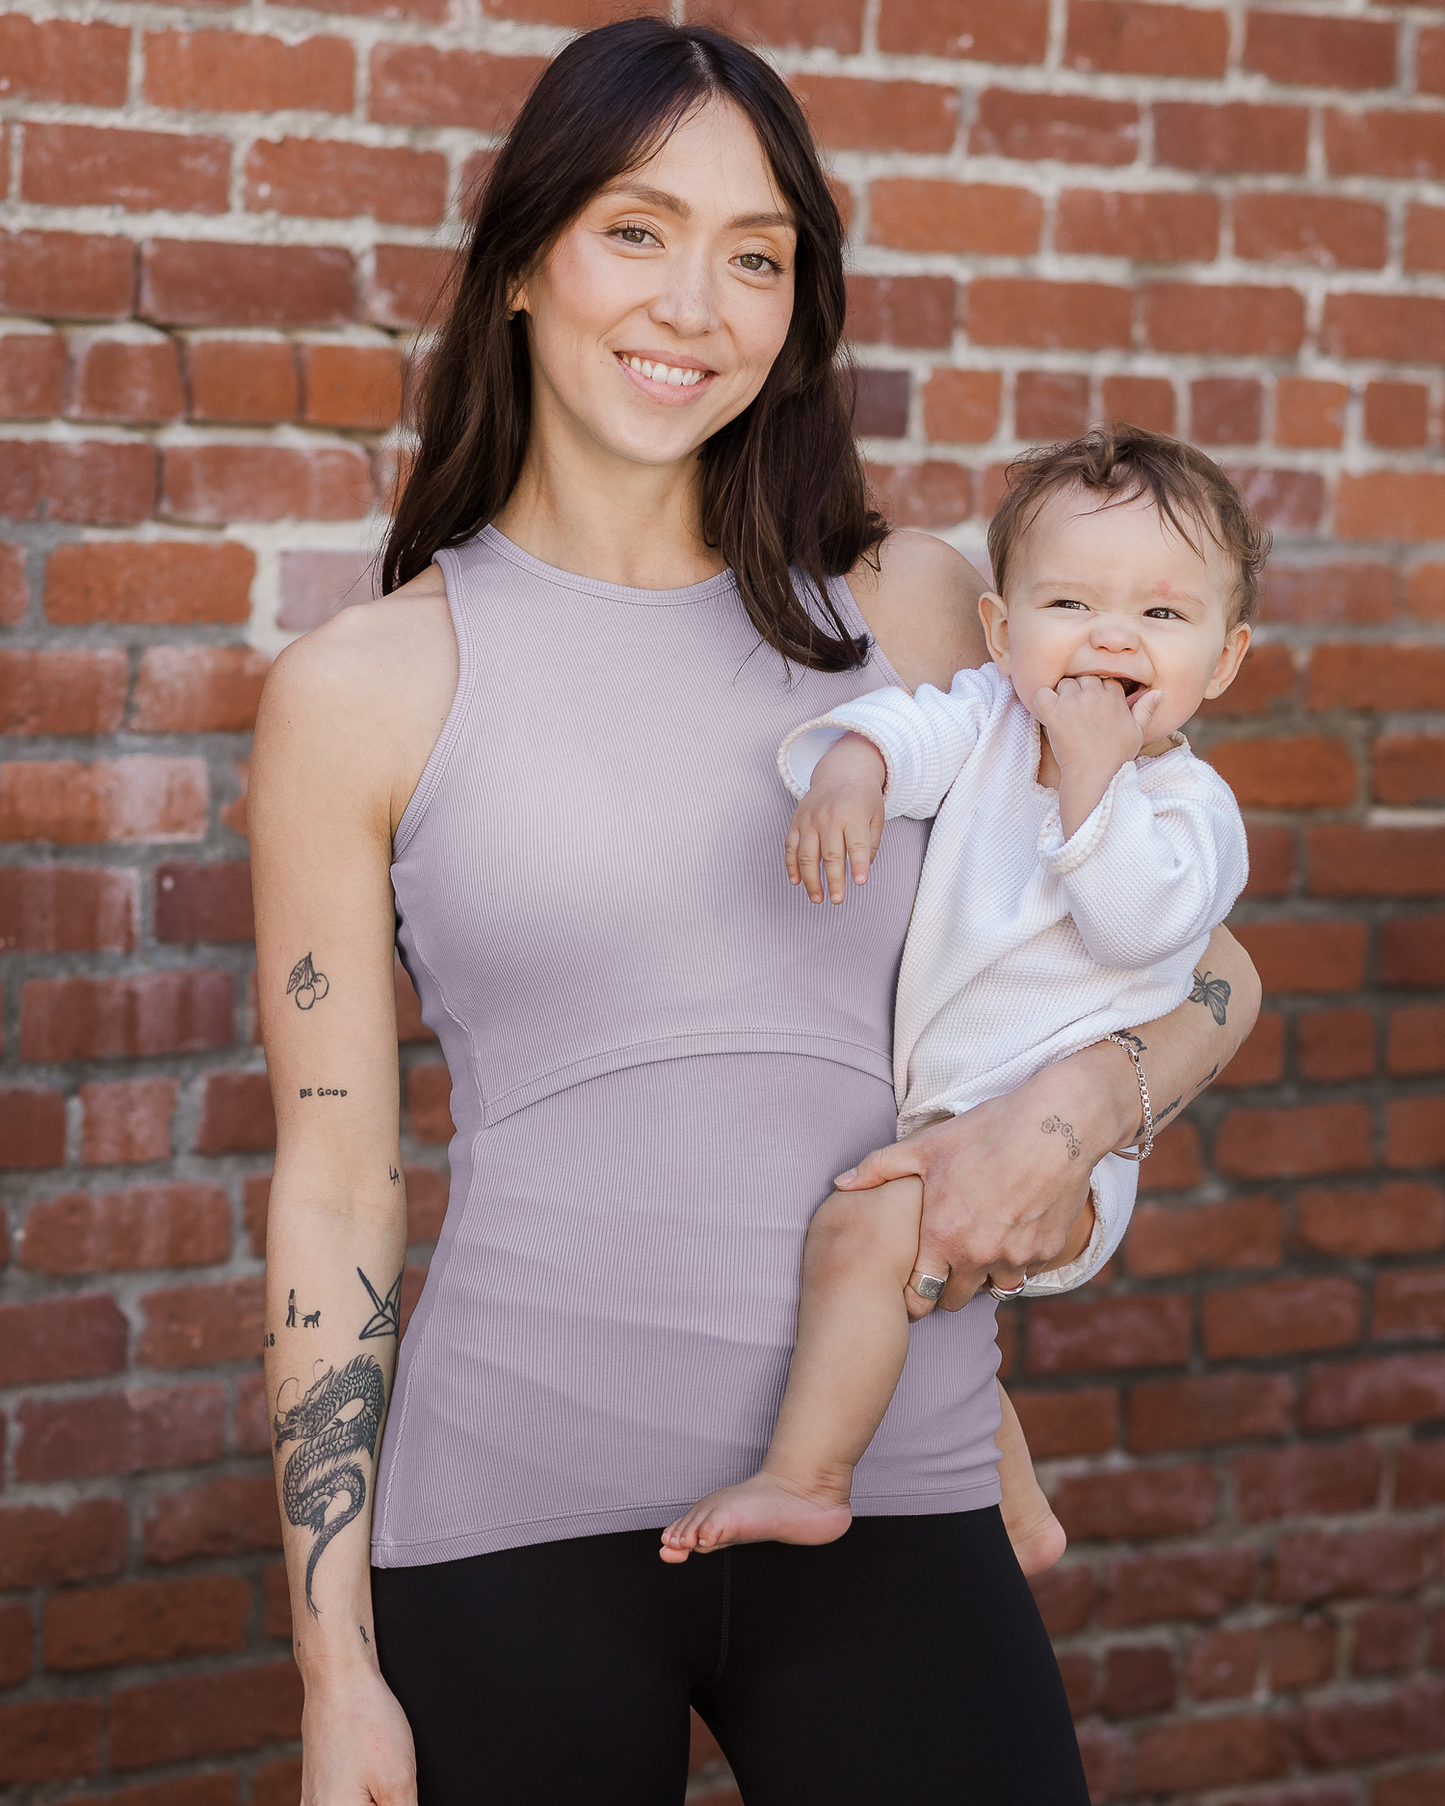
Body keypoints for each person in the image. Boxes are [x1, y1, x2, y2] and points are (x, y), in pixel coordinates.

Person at [250, 20, 1261, 1805]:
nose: (695, 305)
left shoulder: (919, 610)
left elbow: (1210, 965)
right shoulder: (368, 681)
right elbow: (336, 1179)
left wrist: (1083, 1104)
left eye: (756, 254)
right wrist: (338, 1671)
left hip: (893, 1479)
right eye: (637, 231)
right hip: (507, 1517)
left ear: (801, 301)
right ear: (520, 262)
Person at [661, 427, 1262, 1575]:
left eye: (1162, 617)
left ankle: (806, 1479)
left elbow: (1145, 929)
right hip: (942, 1111)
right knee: (903, 1292)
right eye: (1069, 603)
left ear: (1223, 661)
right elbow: (905, 729)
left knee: (856, 1237)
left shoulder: (1188, 809)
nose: (1110, 638)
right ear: (1001, 631)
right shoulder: (989, 719)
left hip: (1061, 1156)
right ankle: (1018, 1508)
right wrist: (851, 772)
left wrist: (1091, 777)